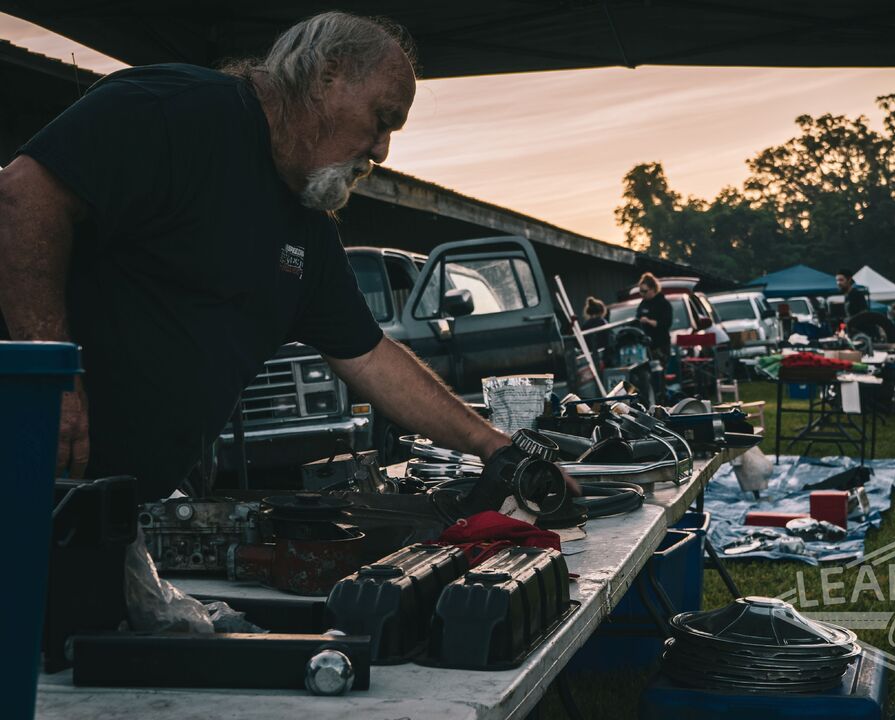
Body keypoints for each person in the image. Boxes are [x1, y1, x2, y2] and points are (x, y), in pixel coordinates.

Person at [0, 12, 573, 503]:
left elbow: (370, 356)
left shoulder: (306, 225)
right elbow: (22, 198)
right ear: (328, 78)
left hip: (113, 503)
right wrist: (47, 377)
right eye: (383, 119)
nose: (382, 149)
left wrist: (492, 445)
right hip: (28, 465)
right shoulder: (181, 109)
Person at [634, 273, 673, 362]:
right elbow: (637, 318)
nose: (642, 294)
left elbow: (666, 324)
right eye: (640, 291)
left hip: (660, 345)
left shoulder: (663, 304)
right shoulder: (643, 304)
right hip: (646, 346)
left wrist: (649, 321)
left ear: (653, 289)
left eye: (644, 291)